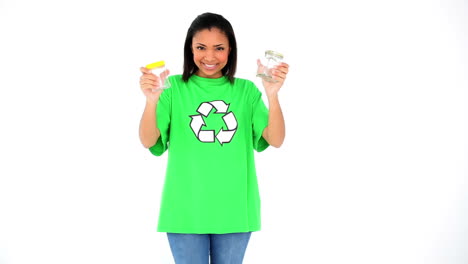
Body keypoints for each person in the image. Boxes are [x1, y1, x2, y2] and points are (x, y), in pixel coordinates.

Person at [138, 12, 289, 264]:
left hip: (235, 209)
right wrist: (151, 101)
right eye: (201, 47)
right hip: (185, 209)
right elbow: (148, 140)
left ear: (230, 50)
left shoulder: (245, 91)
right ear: (190, 49)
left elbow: (275, 139)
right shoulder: (172, 88)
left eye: (219, 48)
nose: (209, 56)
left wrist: (272, 94)